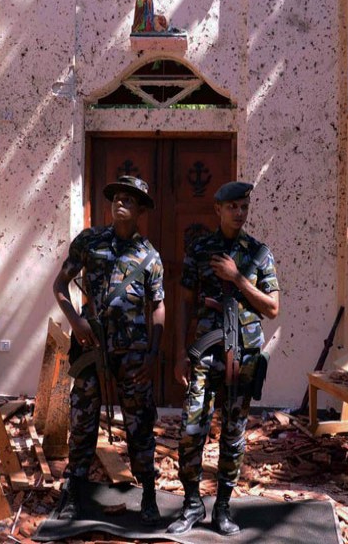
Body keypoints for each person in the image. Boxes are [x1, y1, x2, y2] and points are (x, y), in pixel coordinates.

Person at [51, 175, 165, 524]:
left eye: (129, 200)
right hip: (90, 345)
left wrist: (154, 354)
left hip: (133, 354)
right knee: (82, 419)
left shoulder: (149, 256)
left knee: (140, 423)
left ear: (141, 210)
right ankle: (74, 490)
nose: (120, 203)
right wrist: (75, 321)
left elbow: (158, 306)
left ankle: (147, 491)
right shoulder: (89, 241)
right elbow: (59, 285)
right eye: (116, 197)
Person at [167, 181, 280, 536]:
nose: (239, 212)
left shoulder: (260, 253)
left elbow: (273, 308)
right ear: (217, 209)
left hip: (242, 358)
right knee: (190, 431)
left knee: (233, 435)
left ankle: (224, 508)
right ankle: (190, 503)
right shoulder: (200, 250)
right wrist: (179, 354)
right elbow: (184, 304)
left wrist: (238, 279)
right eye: (232, 206)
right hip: (204, 354)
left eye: (244, 206)